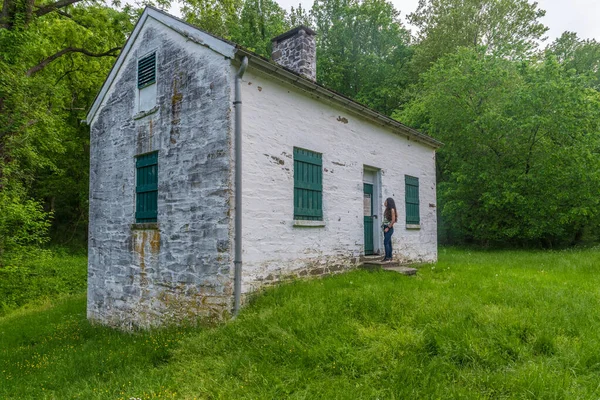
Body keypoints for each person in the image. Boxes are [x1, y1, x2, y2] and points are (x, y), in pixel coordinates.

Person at [382, 197, 397, 262]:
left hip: (389, 228)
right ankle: (389, 257)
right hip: (385, 227)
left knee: (386, 242)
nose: (385, 202)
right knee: (389, 242)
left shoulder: (392, 210)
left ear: (389, 202)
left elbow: (393, 220)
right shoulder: (387, 210)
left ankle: (387, 257)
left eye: (386, 201)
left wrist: (388, 227)